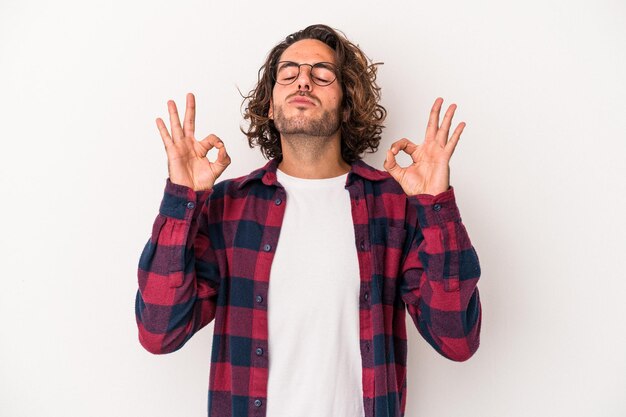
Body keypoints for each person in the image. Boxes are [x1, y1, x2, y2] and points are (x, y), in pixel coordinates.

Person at [136, 24, 482, 417]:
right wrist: (182, 198)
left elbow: (457, 339)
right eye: (288, 73)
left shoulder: (394, 206)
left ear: (346, 102)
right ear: (270, 103)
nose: (303, 81)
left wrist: (435, 204)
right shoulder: (226, 206)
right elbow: (159, 331)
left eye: (321, 75)